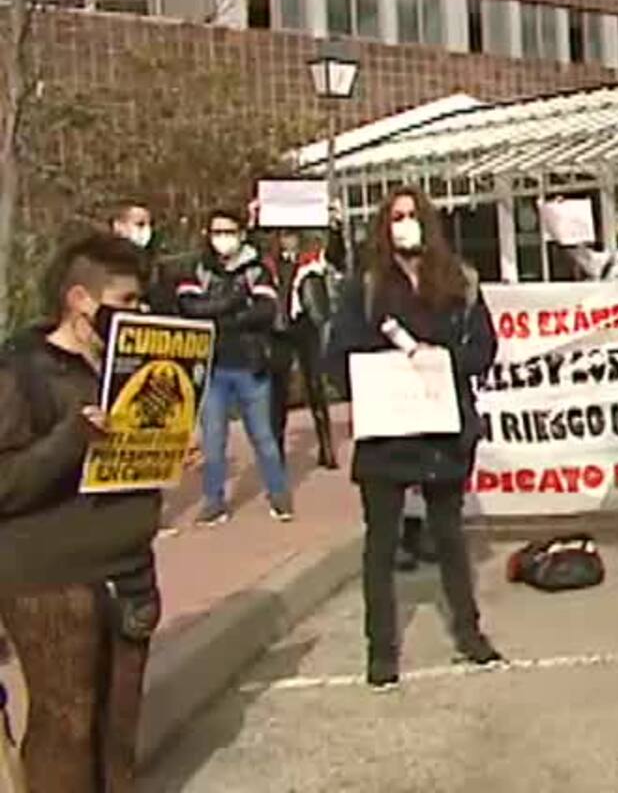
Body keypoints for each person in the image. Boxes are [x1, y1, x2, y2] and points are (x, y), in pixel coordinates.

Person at [0, 235, 161, 791]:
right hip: (52, 581)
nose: (140, 313)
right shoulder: (23, 372)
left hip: (128, 570)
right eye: (129, 300)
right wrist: (74, 437)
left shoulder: (134, 367)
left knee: (118, 730)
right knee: (65, 726)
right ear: (80, 300)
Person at [328, 187, 504, 689]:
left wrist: (440, 361)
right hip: (387, 431)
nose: (405, 224)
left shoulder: (459, 281)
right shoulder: (363, 286)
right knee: (380, 544)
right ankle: (381, 650)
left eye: (413, 216)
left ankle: (468, 633)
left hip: (443, 428)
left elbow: (484, 348)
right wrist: (377, 377)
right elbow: (338, 354)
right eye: (396, 217)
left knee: (450, 536)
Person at [176, 208, 293, 524]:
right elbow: (189, 307)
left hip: (250, 364)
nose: (222, 239)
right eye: (216, 232)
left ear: (241, 234)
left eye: (229, 231)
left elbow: (266, 311)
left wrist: (220, 315)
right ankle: (214, 502)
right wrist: (233, 304)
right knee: (214, 440)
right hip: (212, 367)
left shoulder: (257, 269)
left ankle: (279, 495)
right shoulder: (198, 269)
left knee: (263, 436)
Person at [266, 231, 339, 470]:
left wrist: (335, 227)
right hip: (279, 329)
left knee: (315, 383)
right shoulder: (270, 263)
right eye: (285, 235)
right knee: (278, 391)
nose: (289, 241)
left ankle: (326, 446)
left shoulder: (311, 261)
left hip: (305, 325)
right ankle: (276, 451)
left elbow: (337, 255)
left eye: (292, 235)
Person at [107, 200, 173, 313]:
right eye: (140, 224)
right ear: (118, 225)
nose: (147, 230)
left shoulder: (157, 264)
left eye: (150, 225)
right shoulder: (100, 260)